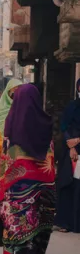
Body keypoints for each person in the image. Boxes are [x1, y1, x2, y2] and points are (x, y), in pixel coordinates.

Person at [0, 84, 56, 254]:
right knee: (37, 236)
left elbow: (7, 165)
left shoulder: (15, 129)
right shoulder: (45, 125)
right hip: (46, 191)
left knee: (24, 238)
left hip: (20, 193)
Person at [56, 78, 80, 233]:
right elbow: (64, 126)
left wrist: (77, 141)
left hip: (76, 145)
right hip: (70, 151)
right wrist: (71, 145)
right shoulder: (72, 106)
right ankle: (66, 222)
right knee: (67, 184)